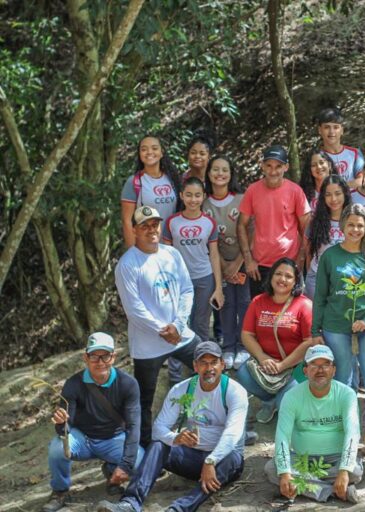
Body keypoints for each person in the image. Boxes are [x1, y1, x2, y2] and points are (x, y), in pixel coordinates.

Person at [96, 341, 248, 512]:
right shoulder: (181, 389)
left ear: (222, 364)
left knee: (233, 458)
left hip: (222, 462)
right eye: (203, 363)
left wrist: (211, 460)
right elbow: (159, 428)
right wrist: (175, 438)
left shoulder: (235, 392)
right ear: (195, 366)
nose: (209, 368)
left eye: (213, 362)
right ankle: (130, 503)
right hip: (192, 458)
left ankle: (178, 509)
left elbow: (232, 433)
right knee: (159, 444)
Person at [311, 203, 365, 457]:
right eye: (351, 225)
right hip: (337, 327)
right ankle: (346, 436)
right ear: (342, 226)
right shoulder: (330, 256)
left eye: (360, 225)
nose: (355, 230)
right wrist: (316, 330)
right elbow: (320, 296)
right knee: (343, 382)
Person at [115, 206, 200, 447]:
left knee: (209, 365)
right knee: (144, 399)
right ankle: (143, 448)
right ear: (134, 230)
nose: (151, 230)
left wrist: (178, 325)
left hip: (180, 334)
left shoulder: (171, 254)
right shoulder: (127, 265)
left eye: (154, 224)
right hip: (148, 344)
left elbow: (186, 289)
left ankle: (212, 425)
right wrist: (163, 330)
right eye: (145, 226)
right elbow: (134, 310)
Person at [43, 333, 143, 512]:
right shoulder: (73, 384)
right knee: (56, 448)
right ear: (85, 357)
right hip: (83, 439)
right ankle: (60, 491)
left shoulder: (128, 384)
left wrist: (125, 465)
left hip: (114, 438)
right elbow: (65, 429)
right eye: (94, 356)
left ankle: (112, 469)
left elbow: (134, 426)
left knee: (140, 465)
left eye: (105, 356)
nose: (100, 361)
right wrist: (61, 424)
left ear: (113, 357)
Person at [265, 345, 363, 504]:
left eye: (325, 365)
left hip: (335, 459)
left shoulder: (347, 394)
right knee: (273, 469)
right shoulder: (291, 396)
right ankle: (331, 490)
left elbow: (353, 434)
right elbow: (282, 435)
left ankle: (308, 486)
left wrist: (344, 470)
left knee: (354, 471)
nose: (320, 370)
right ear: (305, 371)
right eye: (314, 365)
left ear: (334, 370)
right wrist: (284, 473)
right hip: (301, 460)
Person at [235, 258, 315, 424]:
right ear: (271, 277)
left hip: (296, 368)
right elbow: (247, 334)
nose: (282, 279)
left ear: (295, 282)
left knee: (284, 405)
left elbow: (309, 342)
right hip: (267, 364)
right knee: (242, 372)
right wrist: (262, 357)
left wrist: (282, 365)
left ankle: (280, 399)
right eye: (278, 274)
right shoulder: (258, 301)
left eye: (288, 276)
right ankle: (269, 400)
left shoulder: (305, 305)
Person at [237, 145, 312, 297]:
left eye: (278, 166)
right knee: (262, 316)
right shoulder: (252, 190)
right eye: (269, 166)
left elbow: (307, 228)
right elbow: (241, 225)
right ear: (262, 166)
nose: (273, 171)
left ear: (286, 167)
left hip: (288, 264)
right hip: (260, 266)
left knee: (288, 316)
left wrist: (300, 260)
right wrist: (248, 259)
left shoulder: (295, 191)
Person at [163, 178, 224, 345]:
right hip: (179, 279)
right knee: (179, 321)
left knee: (201, 323)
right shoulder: (171, 222)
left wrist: (218, 287)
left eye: (197, 195)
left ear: (204, 196)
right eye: (188, 195)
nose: (193, 199)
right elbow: (166, 256)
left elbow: (214, 254)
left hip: (204, 277)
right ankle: (179, 362)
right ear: (181, 196)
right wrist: (167, 283)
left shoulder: (209, 223)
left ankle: (202, 358)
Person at [203, 155, 250, 370]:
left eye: (225, 170)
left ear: (231, 174)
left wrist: (239, 261)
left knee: (245, 303)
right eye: (215, 169)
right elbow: (207, 240)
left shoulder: (242, 199)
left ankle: (243, 346)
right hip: (218, 262)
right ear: (209, 173)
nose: (220, 174)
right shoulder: (203, 203)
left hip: (244, 261)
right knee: (226, 304)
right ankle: (228, 346)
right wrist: (223, 265)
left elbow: (252, 231)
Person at [120, 135, 181, 248]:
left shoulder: (172, 179)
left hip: (171, 248)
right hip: (145, 248)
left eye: (154, 148)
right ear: (139, 154)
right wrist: (133, 254)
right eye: (144, 149)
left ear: (162, 152)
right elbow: (127, 221)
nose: (149, 152)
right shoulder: (134, 182)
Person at [304, 175, 351, 299]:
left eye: (337, 193)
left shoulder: (355, 220)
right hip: (317, 280)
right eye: (328, 194)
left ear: (345, 194)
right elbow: (308, 252)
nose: (333, 199)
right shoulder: (315, 222)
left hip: (346, 282)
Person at [316, 107, 364, 188]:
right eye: (327, 127)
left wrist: (339, 187)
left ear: (342, 130)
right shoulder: (315, 157)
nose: (331, 131)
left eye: (336, 127)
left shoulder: (355, 153)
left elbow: (362, 180)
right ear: (320, 130)